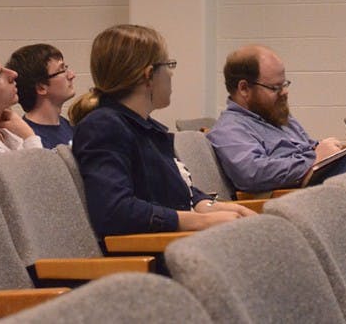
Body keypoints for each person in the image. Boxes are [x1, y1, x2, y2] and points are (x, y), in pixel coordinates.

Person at [73, 24, 254, 237]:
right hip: (153, 254)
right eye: (169, 64)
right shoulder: (103, 127)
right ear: (148, 75)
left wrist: (206, 205)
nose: (171, 73)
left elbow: (170, 189)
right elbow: (115, 212)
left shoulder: (143, 127)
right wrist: (200, 221)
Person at [207, 45, 346, 192]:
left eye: (284, 84)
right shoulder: (230, 129)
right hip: (300, 196)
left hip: (319, 181)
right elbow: (252, 173)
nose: (284, 92)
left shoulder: (278, 115)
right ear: (244, 89)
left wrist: (326, 149)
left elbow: (308, 147)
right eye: (275, 88)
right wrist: (313, 159)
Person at [5, 44, 75, 148]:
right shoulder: (26, 140)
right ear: (41, 88)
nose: (71, 75)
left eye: (66, 67)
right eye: (62, 70)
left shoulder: (68, 126)